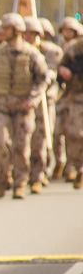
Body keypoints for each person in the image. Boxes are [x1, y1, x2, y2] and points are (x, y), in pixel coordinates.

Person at [0, 13, 48, 199]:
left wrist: (32, 99)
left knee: (21, 147)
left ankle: (20, 182)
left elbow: (43, 79)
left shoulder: (32, 54)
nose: (3, 31)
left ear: (16, 30)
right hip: (1, 106)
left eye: (7, 28)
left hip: (23, 108)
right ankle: (3, 178)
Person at [22, 16, 61, 193]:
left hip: (44, 99)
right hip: (23, 101)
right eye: (26, 33)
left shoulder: (50, 51)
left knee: (40, 139)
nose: (28, 36)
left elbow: (51, 74)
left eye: (32, 33)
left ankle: (38, 176)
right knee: (21, 141)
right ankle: (20, 175)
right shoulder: (20, 51)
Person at [56, 35, 83, 189]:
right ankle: (79, 168)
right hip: (77, 96)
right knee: (74, 134)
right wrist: (63, 70)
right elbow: (61, 66)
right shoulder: (74, 48)